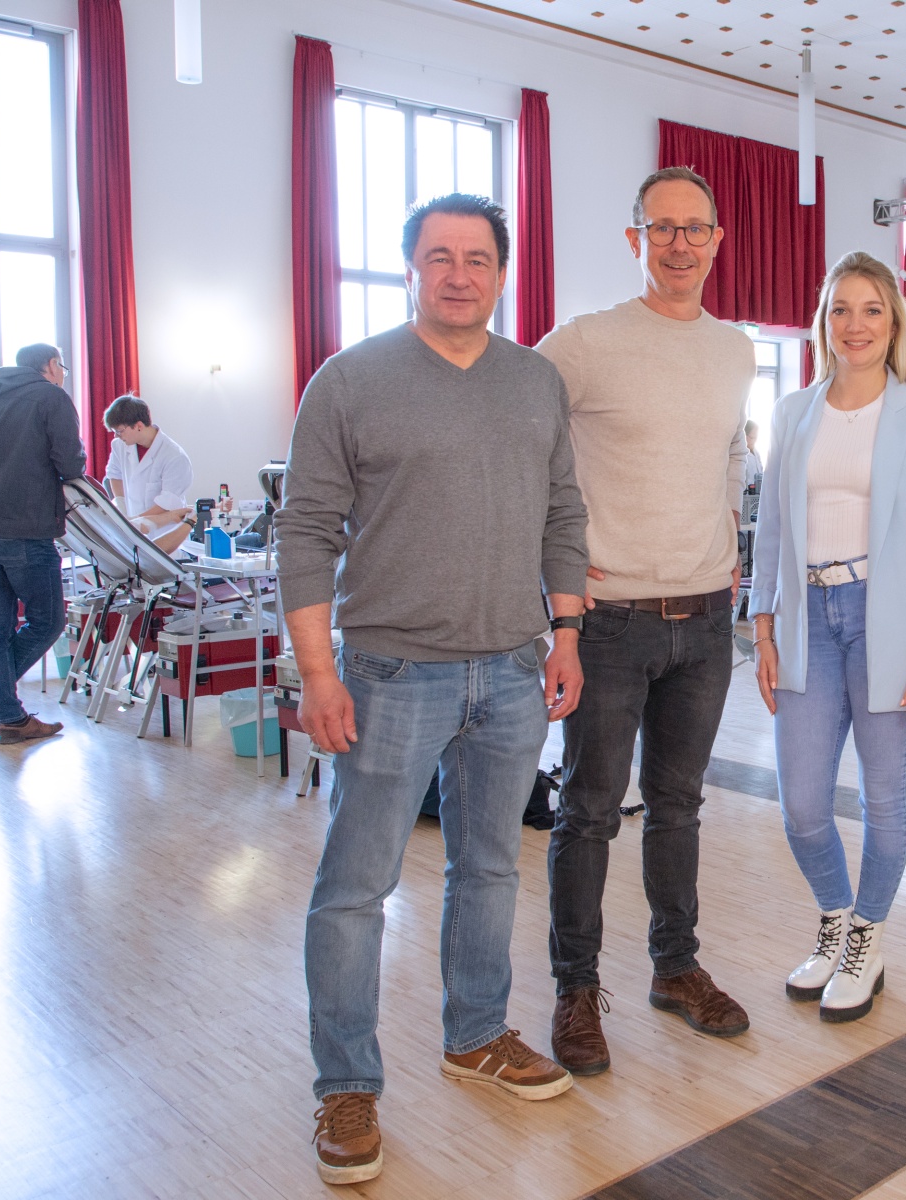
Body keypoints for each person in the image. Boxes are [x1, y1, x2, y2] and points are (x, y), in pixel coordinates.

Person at [275, 193, 588, 1187]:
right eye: (439, 256)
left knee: (490, 869)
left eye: (479, 258)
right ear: (409, 266)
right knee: (356, 888)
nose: (460, 273)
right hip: (387, 672)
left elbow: (565, 512)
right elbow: (304, 535)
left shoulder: (535, 381)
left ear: (503, 271)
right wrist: (317, 673)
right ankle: (346, 1084)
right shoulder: (351, 381)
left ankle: (476, 1034)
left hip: (510, 670)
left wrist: (567, 632)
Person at [536, 166, 755, 1076]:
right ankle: (577, 991)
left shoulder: (736, 347)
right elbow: (520, 444)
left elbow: (730, 460)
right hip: (611, 621)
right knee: (588, 813)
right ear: (637, 240)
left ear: (715, 240)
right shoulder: (584, 344)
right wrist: (551, 579)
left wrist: (736, 552)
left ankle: (675, 968)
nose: (679, 242)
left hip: (705, 620)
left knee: (679, 807)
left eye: (694, 227)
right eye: (660, 228)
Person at [749, 252, 906, 1022]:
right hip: (807, 616)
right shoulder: (792, 413)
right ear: (823, 321)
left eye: (872, 309)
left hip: (890, 622)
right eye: (842, 309)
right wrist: (763, 623)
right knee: (802, 803)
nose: (856, 325)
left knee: (884, 797)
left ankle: (867, 938)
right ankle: (836, 916)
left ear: (894, 321)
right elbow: (771, 528)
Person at [0, 342, 83, 745]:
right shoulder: (50, 396)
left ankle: (5, 713)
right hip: (24, 529)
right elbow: (71, 465)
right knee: (48, 622)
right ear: (51, 366)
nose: (63, 374)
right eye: (63, 367)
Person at [102, 395, 194, 553]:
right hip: (133, 531)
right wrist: (122, 506)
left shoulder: (174, 456)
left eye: (120, 431)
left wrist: (134, 522)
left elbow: (166, 504)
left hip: (165, 534)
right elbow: (114, 475)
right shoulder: (120, 446)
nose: (117, 436)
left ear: (138, 426)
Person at [742, 419, 764, 490]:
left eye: (755, 437)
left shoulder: (756, 453)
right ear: (744, 435)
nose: (754, 441)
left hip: (757, 492)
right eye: (752, 437)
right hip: (746, 493)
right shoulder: (741, 454)